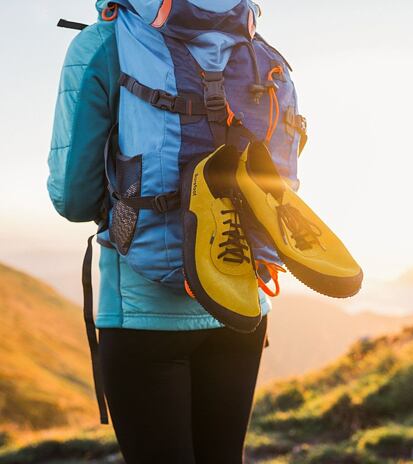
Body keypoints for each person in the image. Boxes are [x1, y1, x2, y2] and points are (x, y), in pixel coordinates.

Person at [47, 2, 270, 463]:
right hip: (238, 301)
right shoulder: (243, 34)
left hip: (142, 312)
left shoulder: (103, 43)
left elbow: (72, 197)